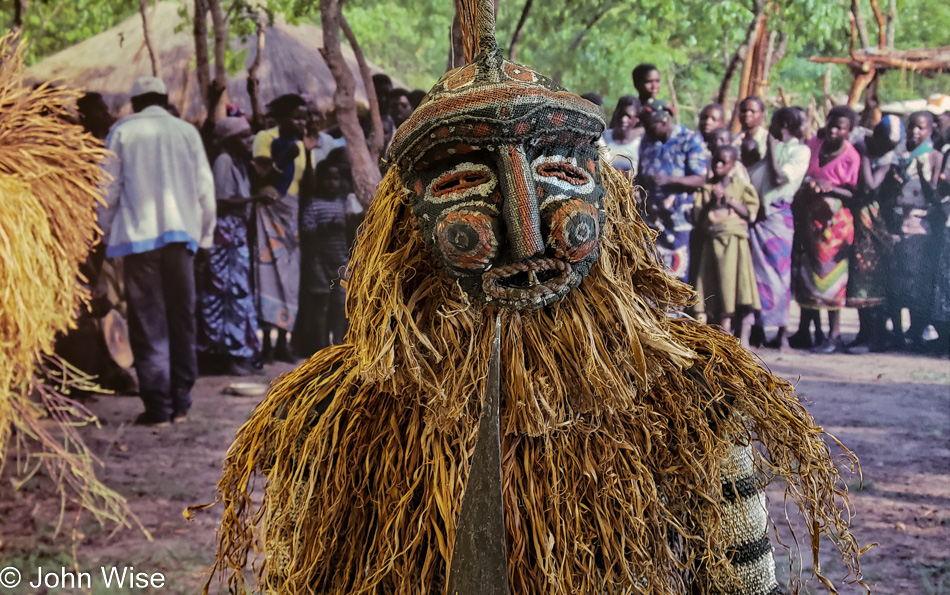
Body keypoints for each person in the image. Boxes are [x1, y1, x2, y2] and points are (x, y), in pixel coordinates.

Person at [98, 77, 215, 425]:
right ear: (164, 99)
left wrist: (104, 234)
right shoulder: (185, 132)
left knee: (148, 322)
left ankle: (158, 406)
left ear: (134, 103)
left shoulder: (121, 131)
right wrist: (205, 237)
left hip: (139, 240)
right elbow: (204, 191)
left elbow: (108, 191)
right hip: (181, 239)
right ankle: (180, 401)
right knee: (182, 318)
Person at [197, 117, 273, 375]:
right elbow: (221, 201)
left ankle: (239, 352)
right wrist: (255, 198)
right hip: (225, 234)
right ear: (229, 140)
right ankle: (228, 355)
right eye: (244, 137)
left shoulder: (239, 164)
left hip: (235, 234)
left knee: (237, 294)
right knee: (227, 295)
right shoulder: (224, 161)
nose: (249, 142)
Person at [790, 105, 860, 353]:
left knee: (832, 281)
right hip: (809, 219)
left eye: (840, 128)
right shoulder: (814, 144)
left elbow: (854, 192)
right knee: (807, 275)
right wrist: (811, 184)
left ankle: (834, 335)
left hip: (835, 227)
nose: (833, 130)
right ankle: (807, 331)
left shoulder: (851, 156)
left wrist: (828, 186)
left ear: (848, 131)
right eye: (831, 124)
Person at [251, 93, 311, 363]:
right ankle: (265, 343)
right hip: (267, 214)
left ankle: (283, 342)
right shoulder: (265, 139)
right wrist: (285, 157)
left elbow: (306, 184)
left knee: (289, 279)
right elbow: (261, 178)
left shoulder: (301, 146)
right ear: (284, 117)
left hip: (291, 218)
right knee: (266, 274)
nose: (303, 122)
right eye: (298, 117)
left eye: (305, 117)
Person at [747, 106, 811, 349]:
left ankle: (782, 332)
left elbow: (779, 179)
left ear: (782, 125)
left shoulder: (800, 151)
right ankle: (759, 329)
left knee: (780, 276)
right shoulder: (766, 146)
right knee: (756, 275)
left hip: (778, 218)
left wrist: (773, 150)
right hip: (758, 217)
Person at [295, 148, 362, 356]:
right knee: (320, 307)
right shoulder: (313, 204)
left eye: (336, 179)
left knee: (341, 306)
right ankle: (321, 347)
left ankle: (340, 346)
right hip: (318, 263)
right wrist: (325, 228)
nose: (332, 183)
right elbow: (306, 231)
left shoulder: (344, 203)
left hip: (340, 261)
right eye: (328, 179)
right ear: (320, 179)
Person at [884, 111, 942, 349]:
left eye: (921, 128)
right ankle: (897, 332)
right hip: (898, 221)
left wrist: (919, 173)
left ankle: (916, 331)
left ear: (930, 130)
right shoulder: (901, 156)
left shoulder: (935, 157)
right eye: (911, 128)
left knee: (917, 281)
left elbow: (935, 194)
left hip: (920, 224)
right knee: (894, 280)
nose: (915, 132)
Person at [845, 115, 903, 354]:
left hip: (875, 224)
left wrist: (866, 156)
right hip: (854, 217)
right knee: (857, 277)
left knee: (871, 277)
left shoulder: (885, 157)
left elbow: (870, 186)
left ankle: (875, 337)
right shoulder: (858, 137)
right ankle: (863, 333)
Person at [692, 145, 761, 337]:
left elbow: (750, 213)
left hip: (734, 242)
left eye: (725, 161)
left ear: (733, 164)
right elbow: (697, 217)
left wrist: (729, 200)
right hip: (712, 242)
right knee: (709, 286)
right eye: (716, 161)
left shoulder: (740, 185)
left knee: (734, 286)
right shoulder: (706, 188)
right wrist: (711, 202)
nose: (719, 164)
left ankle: (734, 333)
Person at [638, 100, 708, 282]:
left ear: (664, 122)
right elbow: (640, 174)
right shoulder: (647, 141)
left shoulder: (689, 139)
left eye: (650, 126)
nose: (646, 130)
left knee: (676, 271)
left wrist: (670, 180)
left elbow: (700, 178)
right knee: (649, 271)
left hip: (678, 220)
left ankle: (675, 312)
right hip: (651, 218)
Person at [602, 95, 642, 174]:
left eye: (629, 116)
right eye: (621, 114)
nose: (623, 119)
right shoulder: (603, 138)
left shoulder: (640, 144)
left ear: (636, 119)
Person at [733, 96, 768, 166]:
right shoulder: (734, 139)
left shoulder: (767, 139)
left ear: (762, 115)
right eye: (743, 111)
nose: (747, 114)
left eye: (752, 111)